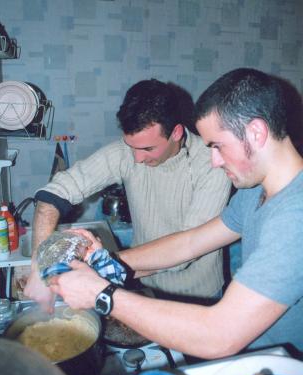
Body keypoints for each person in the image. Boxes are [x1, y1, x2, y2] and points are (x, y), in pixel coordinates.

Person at [48, 68, 303, 359]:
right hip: (256, 362)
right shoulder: (253, 191)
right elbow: (189, 243)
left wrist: (103, 294)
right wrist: (105, 262)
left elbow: (219, 336)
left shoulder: (295, 214)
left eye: (218, 146)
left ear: (256, 133)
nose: (215, 161)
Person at [24, 79, 231, 312]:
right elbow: (54, 192)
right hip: (143, 287)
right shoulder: (127, 153)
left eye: (148, 149)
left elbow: (185, 250)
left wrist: (102, 264)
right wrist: (39, 267)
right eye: (130, 146)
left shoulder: (212, 164)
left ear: (176, 132)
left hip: (200, 299)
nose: (136, 159)